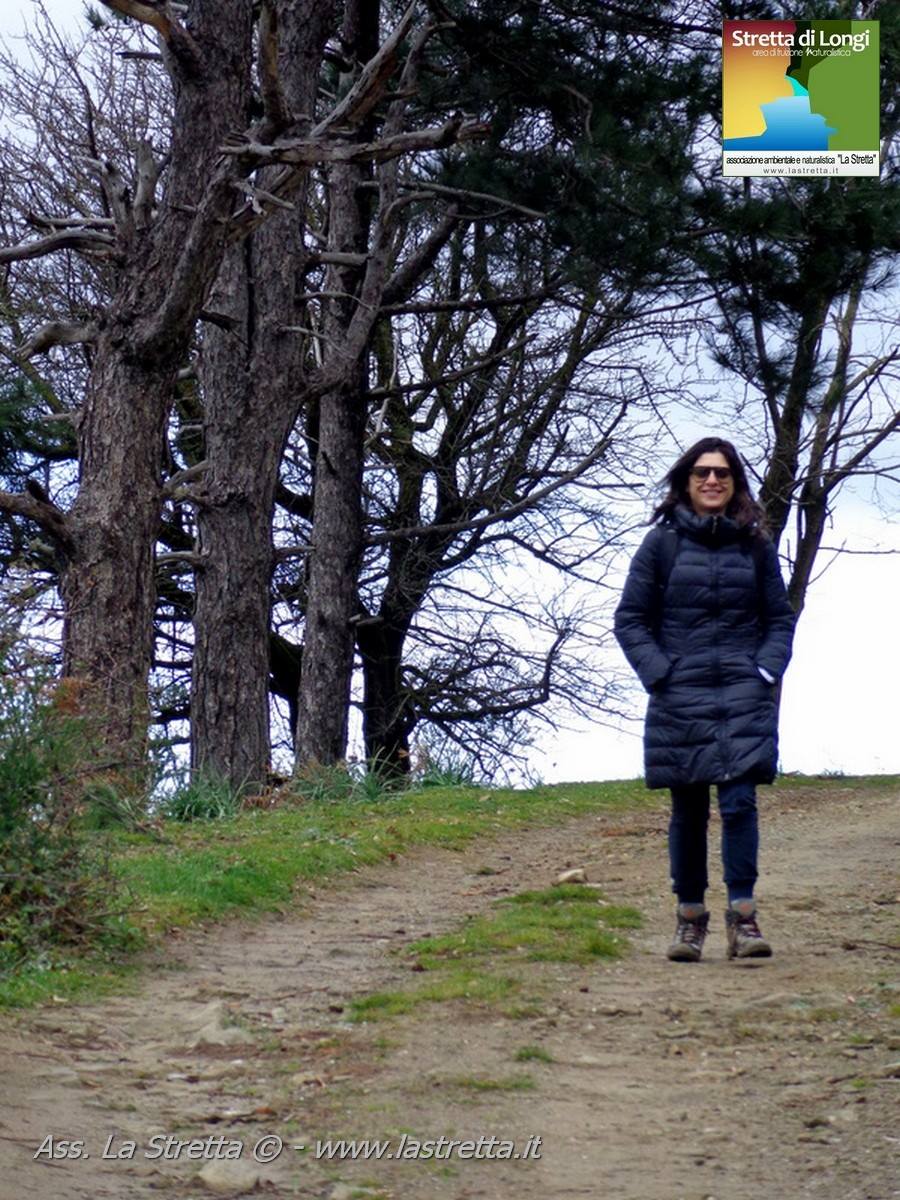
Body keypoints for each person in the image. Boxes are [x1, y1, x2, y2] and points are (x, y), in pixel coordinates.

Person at [614, 437, 795, 963]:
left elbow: (779, 619)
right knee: (689, 809)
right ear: (686, 482)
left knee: (739, 803)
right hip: (680, 694)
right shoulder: (660, 545)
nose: (712, 481)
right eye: (702, 473)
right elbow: (630, 619)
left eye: (722, 473)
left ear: (735, 483)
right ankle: (690, 920)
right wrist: (660, 674)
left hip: (743, 691)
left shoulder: (755, 546)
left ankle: (744, 918)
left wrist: (764, 670)